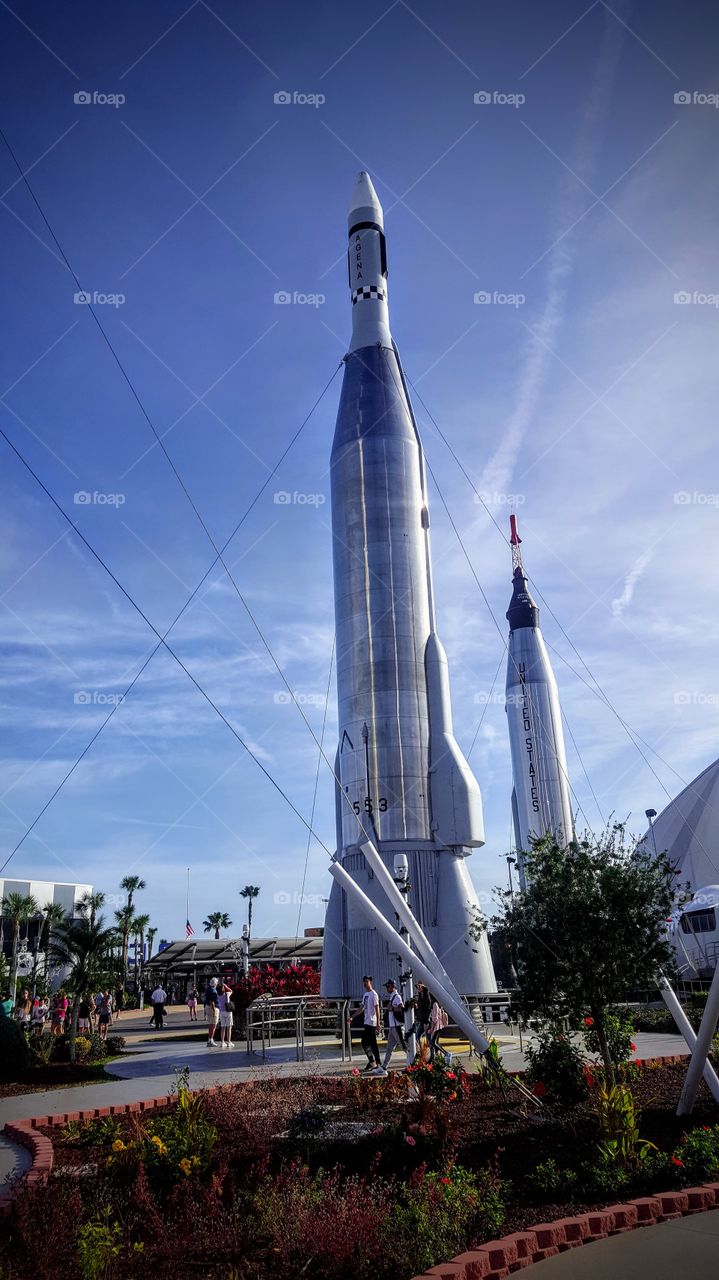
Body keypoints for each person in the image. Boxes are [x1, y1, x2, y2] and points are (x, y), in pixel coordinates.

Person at [359, 975, 382, 1074]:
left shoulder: (374, 994)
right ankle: (372, 1061)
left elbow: (377, 1009)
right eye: (364, 982)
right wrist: (352, 1017)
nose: (365, 984)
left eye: (367, 981)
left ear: (370, 982)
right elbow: (361, 1008)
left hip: (372, 1022)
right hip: (366, 1021)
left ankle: (378, 1062)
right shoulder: (365, 995)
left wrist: (378, 1024)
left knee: (373, 1043)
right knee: (365, 1042)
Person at [381, 979, 406, 1070]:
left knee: (403, 1046)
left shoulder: (397, 996)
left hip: (397, 1026)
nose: (387, 988)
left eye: (388, 986)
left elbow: (401, 1008)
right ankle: (384, 1067)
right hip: (392, 1027)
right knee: (389, 1048)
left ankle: (415, 1061)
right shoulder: (392, 996)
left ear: (393, 986)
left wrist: (392, 1008)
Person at [429, 996, 449, 1061]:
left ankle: (446, 1054)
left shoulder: (435, 1004)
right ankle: (438, 1058)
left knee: (433, 1043)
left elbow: (435, 1019)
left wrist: (431, 1029)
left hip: (437, 1026)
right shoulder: (438, 1004)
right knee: (435, 1043)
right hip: (440, 1026)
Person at [217, 981, 235, 1049]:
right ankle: (229, 1042)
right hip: (228, 1011)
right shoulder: (227, 994)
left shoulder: (218, 995)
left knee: (223, 1027)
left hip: (221, 1012)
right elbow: (231, 991)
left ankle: (222, 1042)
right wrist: (226, 986)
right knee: (229, 1027)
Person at [205, 977, 220, 1047]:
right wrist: (214, 1011)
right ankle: (211, 1040)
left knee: (211, 1024)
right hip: (213, 1008)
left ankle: (209, 1039)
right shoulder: (213, 991)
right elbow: (212, 1002)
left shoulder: (208, 989)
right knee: (213, 1025)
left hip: (208, 1007)